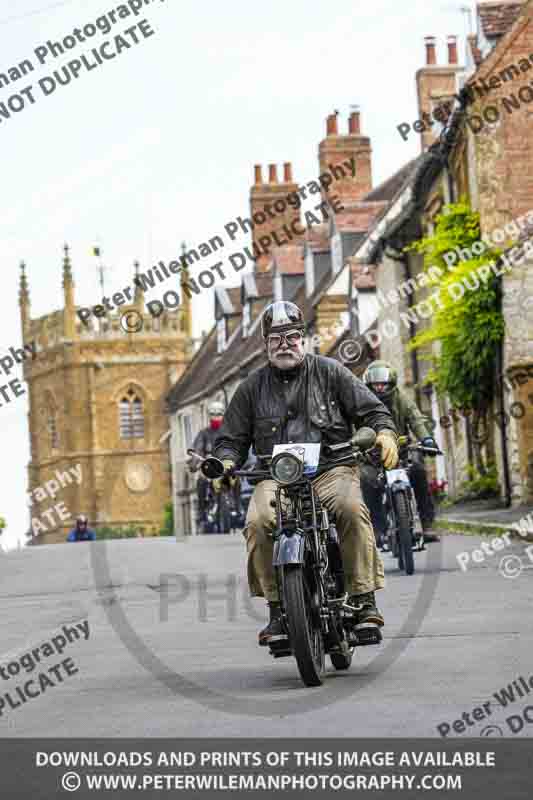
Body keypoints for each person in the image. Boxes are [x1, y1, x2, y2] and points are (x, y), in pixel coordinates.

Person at [213, 301, 399, 646]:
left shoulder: (331, 372)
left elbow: (374, 411)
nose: (285, 344)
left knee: (350, 510)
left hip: (332, 468)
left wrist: (384, 433)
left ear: (305, 339)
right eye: (276, 338)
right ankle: (278, 609)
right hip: (276, 476)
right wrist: (224, 464)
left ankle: (363, 601)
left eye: (292, 336)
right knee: (256, 522)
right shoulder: (251, 388)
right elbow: (230, 440)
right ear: (265, 344)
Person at [360, 360, 438, 547]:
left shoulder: (401, 399)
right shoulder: (361, 402)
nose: (379, 388)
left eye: (383, 384)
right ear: (368, 385)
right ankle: (378, 530)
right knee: (367, 482)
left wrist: (426, 438)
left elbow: (415, 418)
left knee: (419, 472)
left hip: (402, 453)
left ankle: (427, 525)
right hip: (373, 456)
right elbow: (353, 426)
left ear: (391, 384)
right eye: (375, 384)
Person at [189, 401, 226, 530]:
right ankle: (202, 510)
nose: (216, 417)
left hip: (227, 467)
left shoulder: (229, 432)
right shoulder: (204, 434)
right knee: (201, 481)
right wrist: (194, 463)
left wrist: (245, 461)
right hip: (210, 467)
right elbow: (198, 449)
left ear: (223, 415)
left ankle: (238, 507)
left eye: (219, 414)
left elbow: (239, 446)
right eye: (213, 414)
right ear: (209, 416)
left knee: (237, 481)